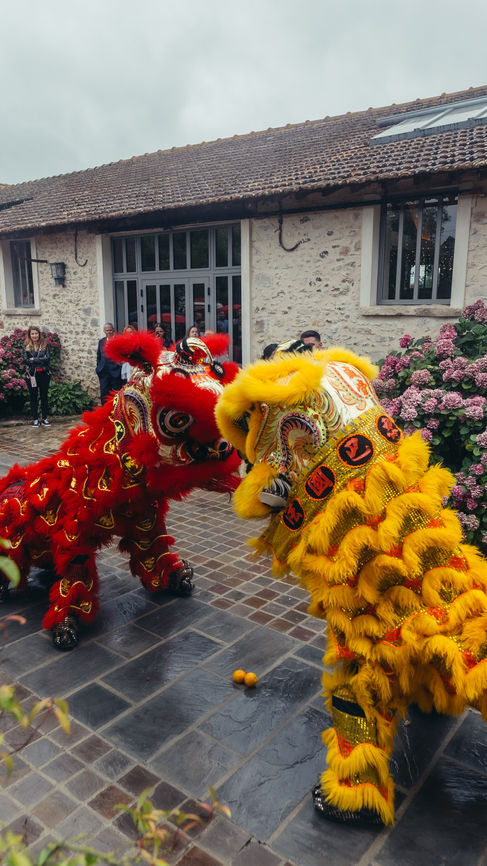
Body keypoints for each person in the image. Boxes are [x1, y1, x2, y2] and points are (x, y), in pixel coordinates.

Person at [23, 326, 51, 427]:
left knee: (44, 397)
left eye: (36, 333)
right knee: (33, 397)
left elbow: (47, 358)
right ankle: (35, 419)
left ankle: (44, 418)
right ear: (30, 335)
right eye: (32, 334)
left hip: (44, 373)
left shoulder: (45, 345)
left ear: (39, 334)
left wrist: (33, 359)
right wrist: (39, 359)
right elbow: (25, 360)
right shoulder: (26, 346)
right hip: (32, 375)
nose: (34, 335)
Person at [96, 323, 122, 404]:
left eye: (110, 330)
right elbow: (99, 356)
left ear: (113, 330)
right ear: (104, 331)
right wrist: (98, 368)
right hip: (103, 372)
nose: (109, 332)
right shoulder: (101, 341)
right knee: (104, 393)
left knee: (116, 394)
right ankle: (104, 412)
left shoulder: (118, 341)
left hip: (115, 372)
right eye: (107, 330)